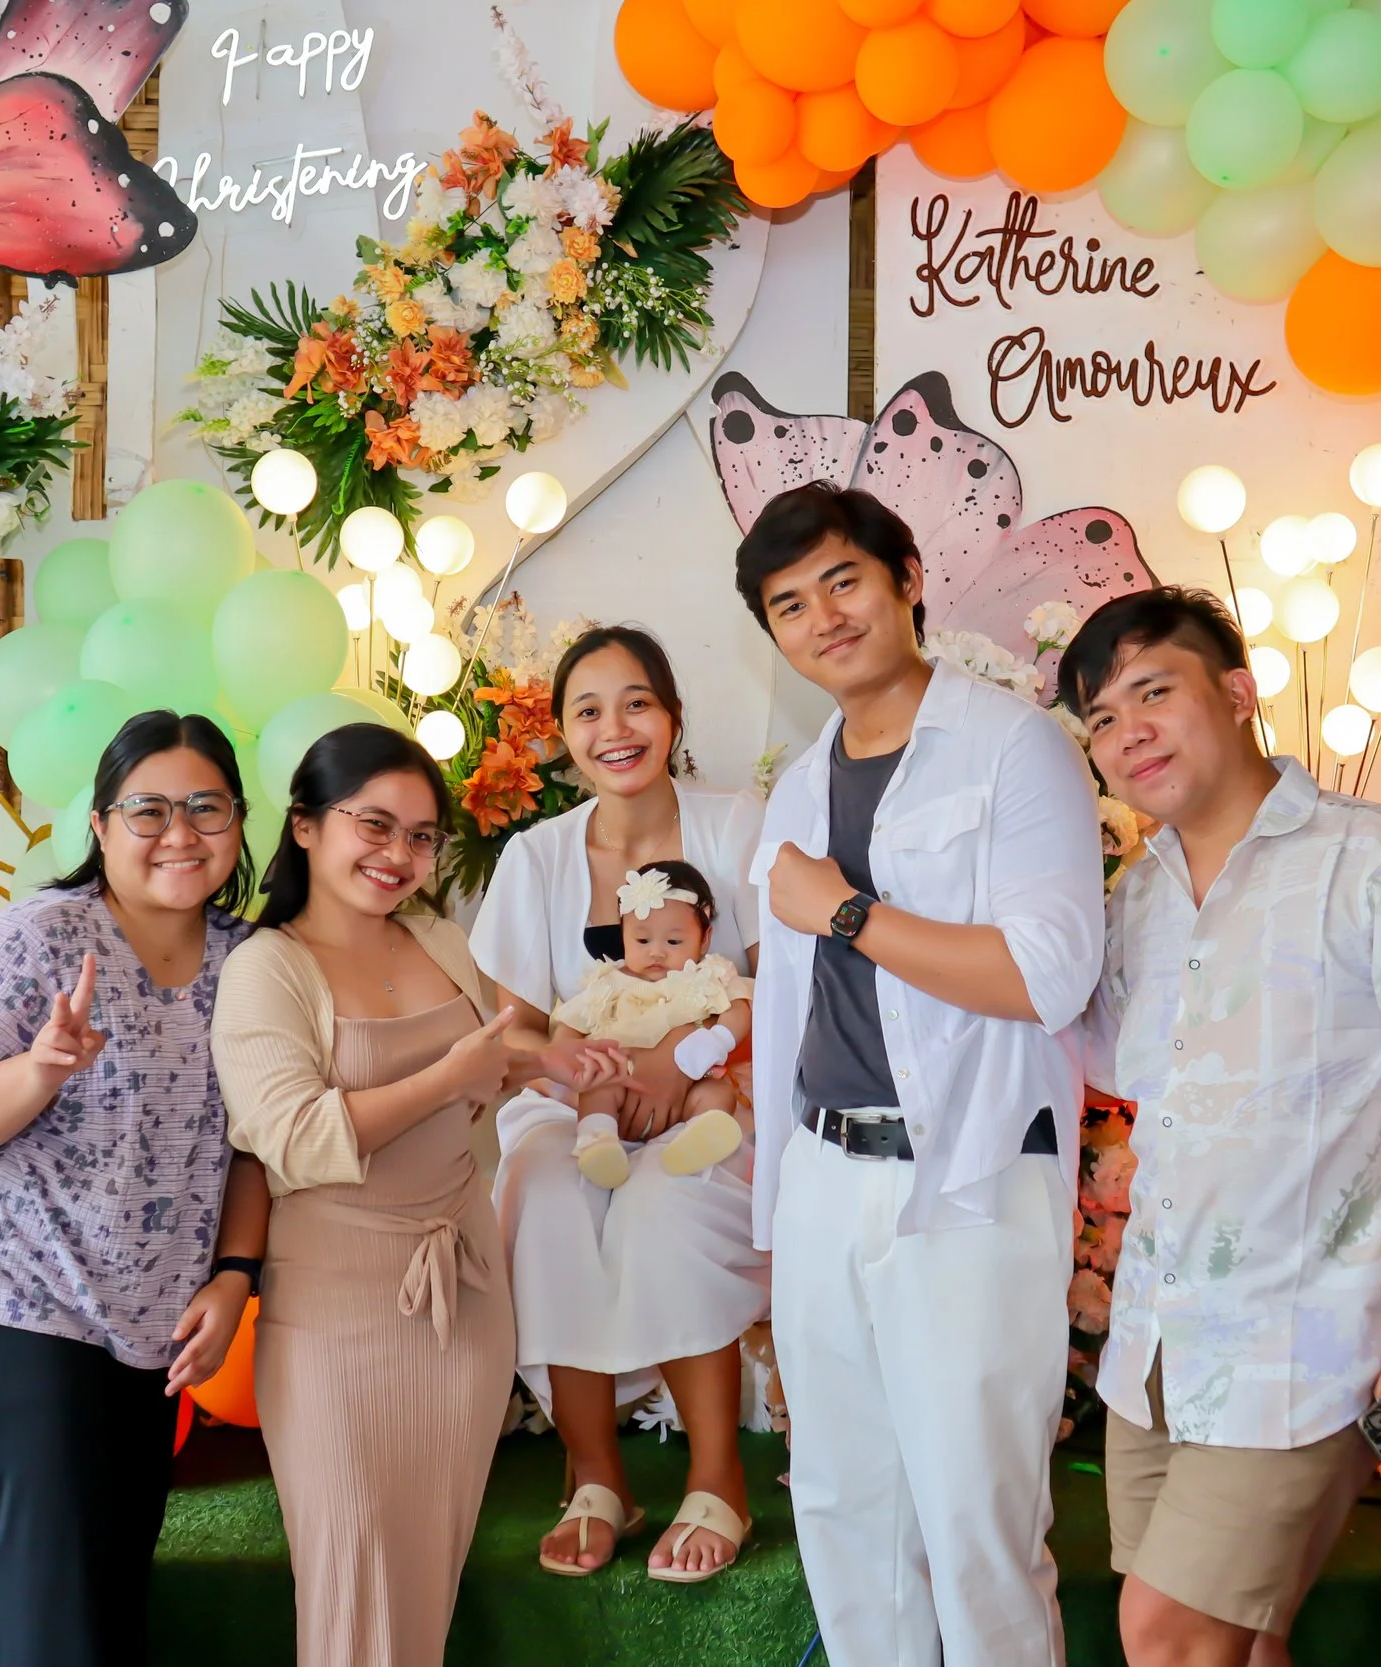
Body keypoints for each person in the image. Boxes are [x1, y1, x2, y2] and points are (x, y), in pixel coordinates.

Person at [1057, 587, 1381, 1667]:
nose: (1127, 730)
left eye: (1151, 691)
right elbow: (1102, 1060)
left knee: (1168, 1635)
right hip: (1157, 1342)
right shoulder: (1137, 895)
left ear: (1235, 690)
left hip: (1303, 1340)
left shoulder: (1377, 856)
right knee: (1241, 1637)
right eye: (1100, 721)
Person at [735, 482, 1108, 1667]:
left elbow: (1048, 974)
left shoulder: (1014, 746)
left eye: (843, 580)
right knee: (843, 1512)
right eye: (787, 604)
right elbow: (790, 1016)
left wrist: (845, 907)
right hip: (823, 1172)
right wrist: (774, 1215)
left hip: (972, 1175)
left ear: (906, 576)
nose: (822, 617)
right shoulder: (796, 786)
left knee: (976, 1525)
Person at [0, 711, 268, 1667]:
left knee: (101, 1594)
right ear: (100, 826)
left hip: (147, 1326)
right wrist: (39, 1068)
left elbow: (257, 1146)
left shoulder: (254, 962)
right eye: (147, 809)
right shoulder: (36, 937)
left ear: (238, 822)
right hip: (11, 1300)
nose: (179, 833)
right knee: (35, 1612)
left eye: (205, 807)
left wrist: (234, 1274)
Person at [208, 722, 520, 1667]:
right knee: (353, 1584)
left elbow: (507, 1038)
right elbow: (293, 1139)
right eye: (374, 825)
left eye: (422, 836)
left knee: (424, 1576)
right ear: (305, 825)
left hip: (463, 1289)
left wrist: (570, 1060)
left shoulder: (437, 937)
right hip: (338, 1307)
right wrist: (450, 1074)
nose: (399, 856)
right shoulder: (267, 967)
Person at [469, 625, 769, 1583]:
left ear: (673, 715)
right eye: (587, 710)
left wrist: (684, 1064)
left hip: (722, 1091)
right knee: (546, 1191)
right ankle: (598, 1475)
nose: (615, 728)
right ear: (559, 735)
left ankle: (717, 1475)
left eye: (636, 701)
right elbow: (509, 1034)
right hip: (576, 1106)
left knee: (662, 1201)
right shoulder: (536, 858)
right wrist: (581, 1065)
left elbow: (786, 988)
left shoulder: (739, 825)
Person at [549, 859, 754, 1187]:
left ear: (704, 939)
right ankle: (598, 1142)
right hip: (623, 1079)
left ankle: (699, 1138)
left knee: (716, 1092)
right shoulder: (609, 982)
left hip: (687, 1085)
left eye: (674, 942)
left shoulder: (708, 974)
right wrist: (573, 1056)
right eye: (642, 941)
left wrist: (715, 1041)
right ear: (624, 937)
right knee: (601, 1087)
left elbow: (739, 1010)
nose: (657, 953)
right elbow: (569, 1025)